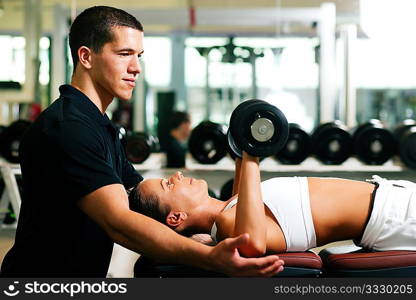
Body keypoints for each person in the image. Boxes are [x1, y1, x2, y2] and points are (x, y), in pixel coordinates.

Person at [0, 6, 284, 277]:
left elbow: (140, 197)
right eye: (124, 54)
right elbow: (120, 222)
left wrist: (212, 227)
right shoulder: (69, 128)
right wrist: (210, 259)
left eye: (139, 55)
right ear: (86, 57)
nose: (136, 67)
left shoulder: (98, 125)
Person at [132, 151, 416, 256]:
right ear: (176, 218)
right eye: (168, 184)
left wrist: (241, 156)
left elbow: (241, 193)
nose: (178, 175)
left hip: (394, 202)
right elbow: (252, 242)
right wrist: (252, 156)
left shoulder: (231, 209)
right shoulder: (230, 225)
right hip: (394, 215)